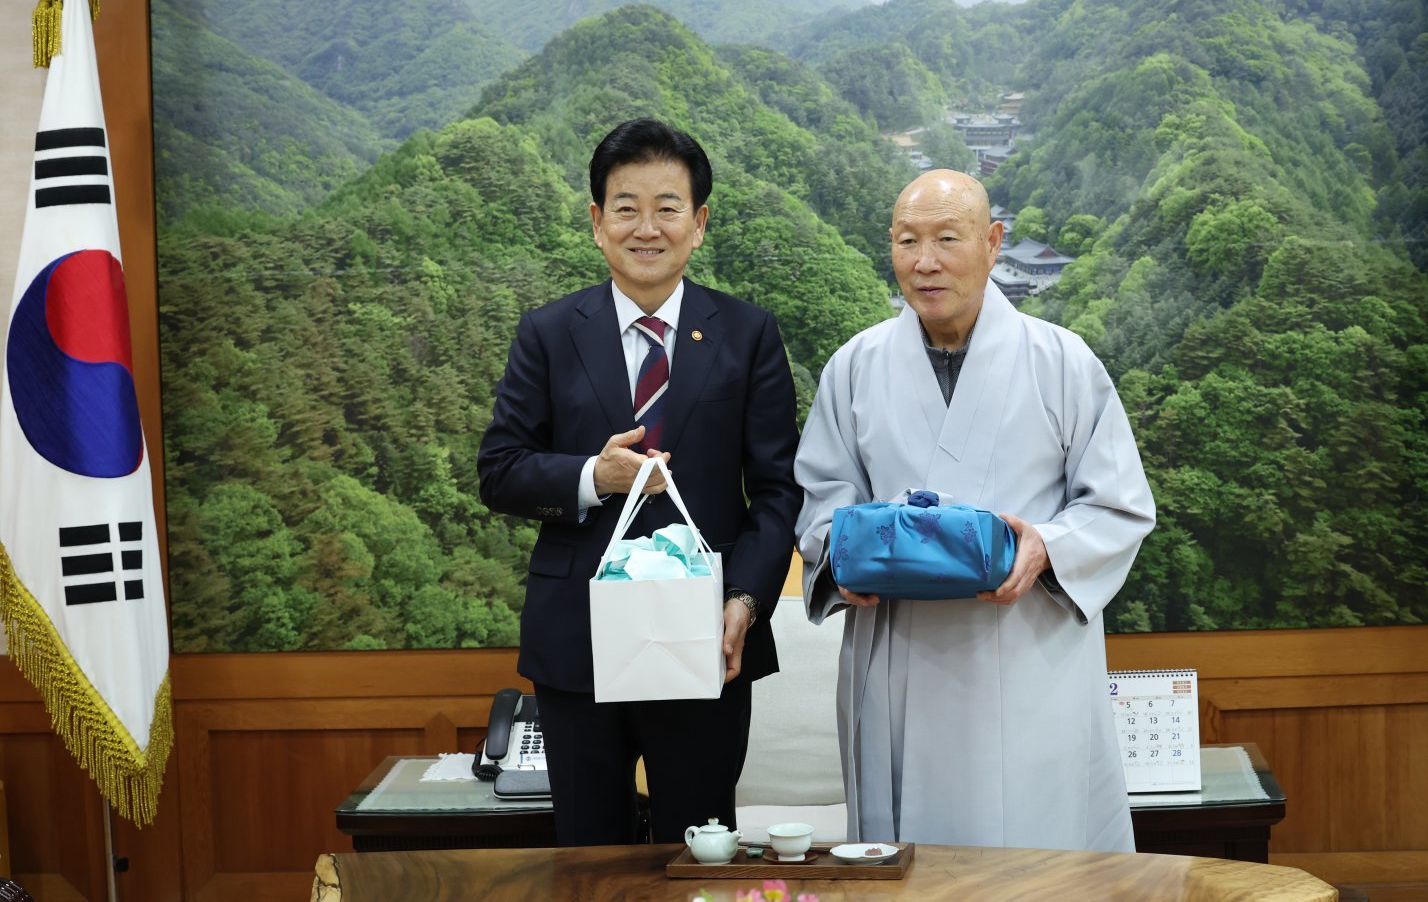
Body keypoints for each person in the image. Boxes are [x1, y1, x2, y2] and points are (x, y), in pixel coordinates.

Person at [794, 168, 1156, 851]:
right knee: (909, 867)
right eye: (907, 241)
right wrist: (844, 556)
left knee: (1036, 864)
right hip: (898, 651)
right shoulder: (855, 367)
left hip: (1027, 652)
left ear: (992, 244)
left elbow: (1118, 506)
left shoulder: (1062, 362)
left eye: (947, 239)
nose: (924, 262)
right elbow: (822, 500)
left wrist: (1046, 547)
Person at [479, 118, 802, 846]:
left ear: (699, 223)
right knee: (589, 857)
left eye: (667, 208)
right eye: (626, 208)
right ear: (597, 223)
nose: (646, 228)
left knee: (700, 852)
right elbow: (500, 469)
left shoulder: (748, 333)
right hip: (579, 642)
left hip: (707, 639)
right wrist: (593, 475)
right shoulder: (548, 333)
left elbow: (779, 490)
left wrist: (746, 600)